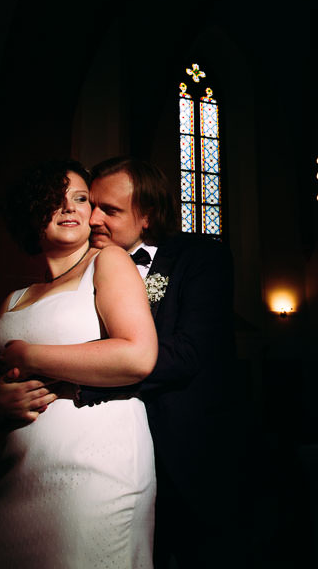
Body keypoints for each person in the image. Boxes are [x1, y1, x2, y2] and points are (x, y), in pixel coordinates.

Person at [0, 159, 158, 568]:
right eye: (55, 200)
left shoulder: (108, 263)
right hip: (15, 472)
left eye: (80, 199)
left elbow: (138, 356)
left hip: (95, 465)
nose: (72, 209)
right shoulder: (15, 298)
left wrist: (31, 354)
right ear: (32, 211)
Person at [79, 156, 241, 568]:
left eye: (110, 210)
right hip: (105, 458)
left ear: (147, 216)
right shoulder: (79, 266)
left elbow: (188, 353)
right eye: (91, 205)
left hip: (186, 454)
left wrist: (84, 382)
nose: (93, 218)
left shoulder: (200, 258)